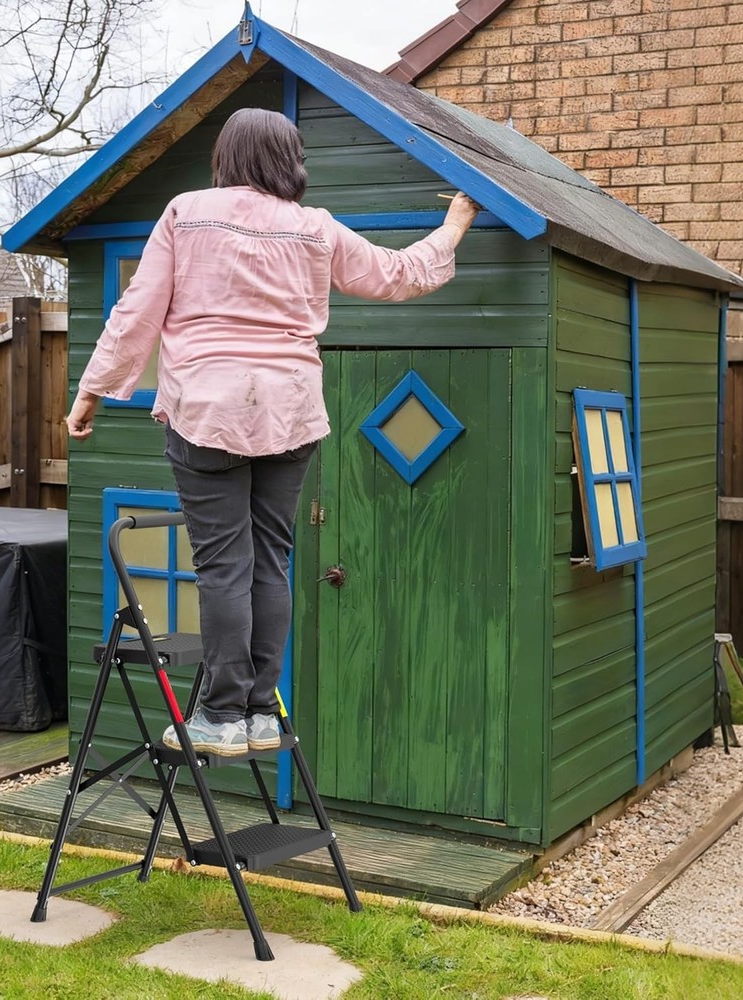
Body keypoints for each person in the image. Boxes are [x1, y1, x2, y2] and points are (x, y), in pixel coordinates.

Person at [66, 107, 480, 756]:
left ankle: (223, 715)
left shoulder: (186, 213)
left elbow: (137, 310)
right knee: (270, 561)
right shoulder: (315, 229)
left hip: (209, 411)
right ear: (291, 161)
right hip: (291, 413)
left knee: (223, 565)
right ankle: (258, 713)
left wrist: (92, 390)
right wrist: (454, 226)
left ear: (225, 158)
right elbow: (396, 275)